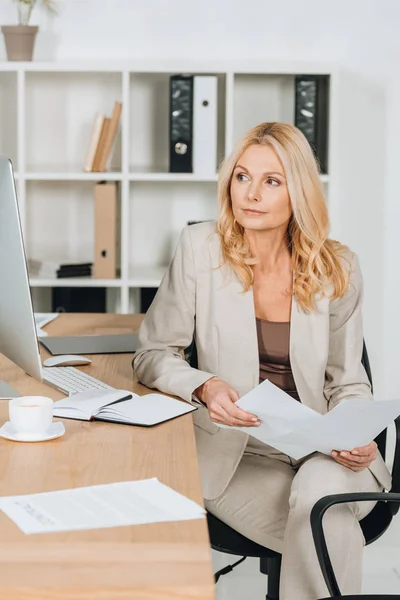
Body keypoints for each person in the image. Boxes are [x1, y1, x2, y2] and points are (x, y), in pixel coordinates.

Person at [133, 122, 391, 600]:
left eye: (272, 180)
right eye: (242, 176)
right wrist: (205, 385)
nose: (250, 194)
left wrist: (354, 432)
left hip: (320, 448)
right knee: (323, 528)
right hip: (237, 454)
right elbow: (153, 353)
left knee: (321, 500)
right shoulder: (200, 249)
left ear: (300, 191)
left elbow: (348, 381)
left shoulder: (338, 268)